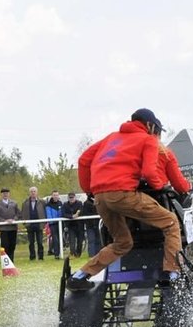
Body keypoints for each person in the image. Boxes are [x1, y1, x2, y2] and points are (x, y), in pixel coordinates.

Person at [66, 108, 180, 291]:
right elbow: (149, 172)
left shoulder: (111, 137)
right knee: (171, 222)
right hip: (123, 194)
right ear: (150, 125)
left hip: (100, 197)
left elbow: (83, 160)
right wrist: (160, 186)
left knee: (122, 243)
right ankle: (172, 273)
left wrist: (89, 190)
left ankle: (80, 275)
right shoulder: (148, 139)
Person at [21, 187, 47, 261]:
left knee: (40, 242)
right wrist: (24, 223)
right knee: (31, 242)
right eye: (31, 191)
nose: (33, 193)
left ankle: (41, 257)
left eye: (34, 191)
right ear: (29, 193)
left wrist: (44, 223)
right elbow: (22, 213)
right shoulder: (25, 202)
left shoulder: (42, 202)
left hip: (39, 225)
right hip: (30, 225)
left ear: (37, 192)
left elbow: (45, 212)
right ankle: (32, 257)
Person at [0, 188, 20, 261]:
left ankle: (11, 260)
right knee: (5, 244)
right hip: (4, 228)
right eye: (4, 193)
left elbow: (18, 213)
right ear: (1, 194)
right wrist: (4, 221)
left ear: (9, 194)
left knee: (12, 244)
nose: (5, 194)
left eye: (7, 193)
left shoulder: (14, 203)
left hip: (13, 227)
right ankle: (5, 260)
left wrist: (14, 219)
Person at [62, 192, 85, 258]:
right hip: (71, 226)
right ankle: (73, 253)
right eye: (70, 197)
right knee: (72, 241)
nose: (71, 199)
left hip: (79, 225)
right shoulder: (65, 204)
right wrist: (72, 216)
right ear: (68, 198)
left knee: (80, 241)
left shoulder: (79, 203)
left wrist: (77, 214)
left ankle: (78, 254)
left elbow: (81, 211)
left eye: (72, 197)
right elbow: (63, 214)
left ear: (75, 197)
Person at [45, 190, 63, 258]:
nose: (55, 196)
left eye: (57, 195)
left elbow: (61, 213)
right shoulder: (48, 205)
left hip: (60, 223)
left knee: (60, 239)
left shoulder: (60, 203)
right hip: (53, 224)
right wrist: (52, 222)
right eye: (54, 195)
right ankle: (56, 254)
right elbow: (49, 215)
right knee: (55, 239)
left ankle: (60, 253)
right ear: (52, 196)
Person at [82, 194, 101, 258]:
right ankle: (92, 255)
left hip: (97, 224)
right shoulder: (86, 203)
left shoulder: (98, 202)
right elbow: (85, 214)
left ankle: (98, 254)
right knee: (91, 240)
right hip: (90, 225)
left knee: (98, 240)